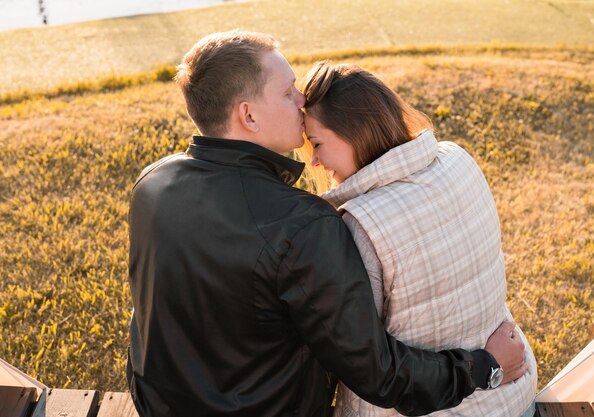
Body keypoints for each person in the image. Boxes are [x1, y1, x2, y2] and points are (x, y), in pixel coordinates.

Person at [126, 30, 528, 417]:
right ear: (247, 115)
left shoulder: (152, 184)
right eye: (286, 92)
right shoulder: (303, 226)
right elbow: (379, 373)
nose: (301, 99)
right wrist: (484, 366)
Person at [299, 62, 538, 417]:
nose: (315, 161)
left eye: (317, 144)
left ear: (356, 131)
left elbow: (368, 362)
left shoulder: (363, 223)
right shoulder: (459, 159)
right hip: (514, 393)